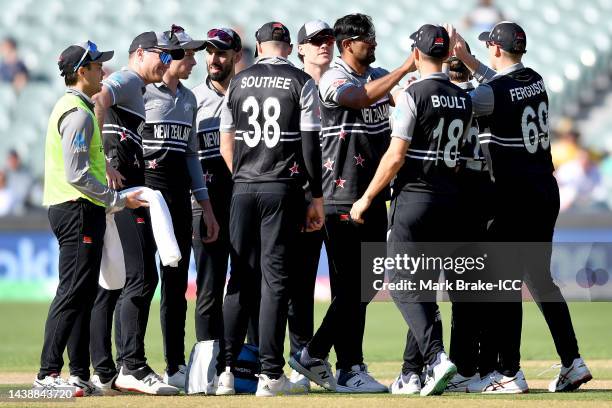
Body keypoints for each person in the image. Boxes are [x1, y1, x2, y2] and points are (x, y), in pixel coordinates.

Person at [450, 21, 592, 393]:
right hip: (544, 191)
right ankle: (572, 361)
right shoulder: (535, 79)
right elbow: (500, 87)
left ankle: (509, 372)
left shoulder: (491, 92)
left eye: (487, 47)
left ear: (496, 49)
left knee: (504, 283)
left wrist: (452, 70)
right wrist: (469, 59)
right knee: (541, 281)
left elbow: (460, 102)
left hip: (511, 196)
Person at [289, 13, 414, 393]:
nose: (373, 44)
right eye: (367, 38)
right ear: (348, 44)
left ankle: (328, 358)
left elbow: (401, 101)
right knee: (352, 284)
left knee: (368, 281)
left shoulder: (377, 73)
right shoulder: (333, 77)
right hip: (341, 193)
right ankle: (342, 363)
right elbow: (359, 99)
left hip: (372, 193)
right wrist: (408, 65)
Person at [350, 24, 472, 396]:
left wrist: (367, 197)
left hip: (415, 198)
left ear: (416, 55)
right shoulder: (463, 97)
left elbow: (395, 156)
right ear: (447, 54)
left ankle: (435, 358)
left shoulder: (412, 94)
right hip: (450, 201)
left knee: (403, 285)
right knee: (423, 289)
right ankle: (411, 373)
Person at [218, 21, 324, 396]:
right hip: (282, 188)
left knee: (240, 279)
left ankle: (225, 372)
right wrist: (316, 197)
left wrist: (245, 175)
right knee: (275, 281)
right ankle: (269, 374)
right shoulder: (302, 82)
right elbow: (310, 145)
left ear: (259, 47)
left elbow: (225, 144)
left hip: (243, 188)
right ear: (288, 47)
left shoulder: (238, 82)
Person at [33, 41, 145, 396]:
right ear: (82, 71)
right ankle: (47, 375)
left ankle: (79, 373)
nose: (103, 72)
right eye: (97, 66)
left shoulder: (75, 106)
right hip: (78, 209)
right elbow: (78, 174)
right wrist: (115, 200)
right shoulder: (79, 112)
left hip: (78, 209)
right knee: (72, 292)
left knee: (80, 293)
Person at [89, 31, 186, 395]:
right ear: (141, 53)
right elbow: (98, 98)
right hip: (123, 191)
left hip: (122, 189)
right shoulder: (128, 79)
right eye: (161, 56)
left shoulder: (138, 90)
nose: (166, 62)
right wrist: (100, 160)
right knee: (141, 276)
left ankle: (103, 370)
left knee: (113, 282)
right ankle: (132, 365)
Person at [137, 25, 219, 390]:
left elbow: (190, 157)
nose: (195, 60)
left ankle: (174, 365)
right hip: (144, 199)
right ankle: (128, 365)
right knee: (139, 283)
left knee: (174, 287)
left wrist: (207, 208)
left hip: (179, 202)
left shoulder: (188, 99)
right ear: (168, 56)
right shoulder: (140, 92)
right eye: (188, 54)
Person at [443, 44, 496, 393]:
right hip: (485, 193)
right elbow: (496, 86)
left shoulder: (442, 98)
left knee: (461, 289)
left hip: (453, 194)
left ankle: (462, 367)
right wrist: (473, 63)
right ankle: (487, 366)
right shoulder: (484, 98)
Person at [191, 27, 244, 370]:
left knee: (246, 286)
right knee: (208, 290)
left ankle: (241, 364)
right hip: (206, 205)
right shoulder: (193, 99)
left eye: (222, 52)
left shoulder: (250, 97)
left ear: (237, 56)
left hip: (245, 204)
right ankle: (205, 367)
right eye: (210, 52)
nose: (214, 59)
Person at [286, 19, 334, 390]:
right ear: (300, 47)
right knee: (298, 285)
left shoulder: (342, 83)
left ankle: (348, 362)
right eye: (315, 41)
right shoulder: (292, 85)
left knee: (351, 286)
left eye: (328, 39)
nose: (323, 45)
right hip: (303, 198)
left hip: (343, 196)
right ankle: (300, 359)